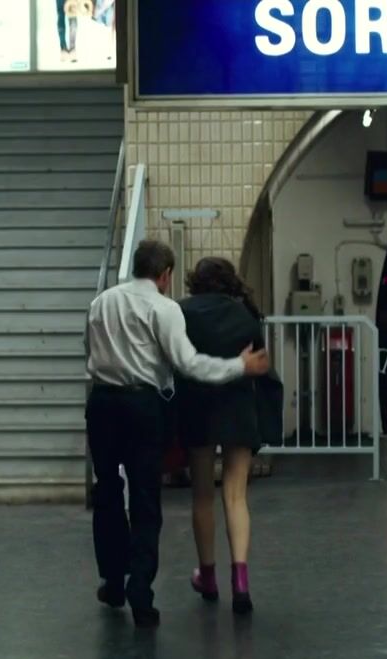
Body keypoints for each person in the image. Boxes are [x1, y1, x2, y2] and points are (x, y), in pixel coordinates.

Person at [86, 240, 269, 628]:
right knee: (145, 498)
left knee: (107, 493)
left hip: (102, 404)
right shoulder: (165, 308)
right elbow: (190, 364)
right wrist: (240, 366)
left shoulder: (101, 302)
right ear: (165, 274)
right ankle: (143, 593)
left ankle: (113, 581)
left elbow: (88, 346)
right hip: (145, 405)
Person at [177, 258, 267, 615]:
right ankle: (240, 582)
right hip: (238, 408)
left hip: (197, 408)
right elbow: (259, 363)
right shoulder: (246, 315)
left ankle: (208, 576)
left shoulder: (182, 312)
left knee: (202, 496)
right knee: (236, 496)